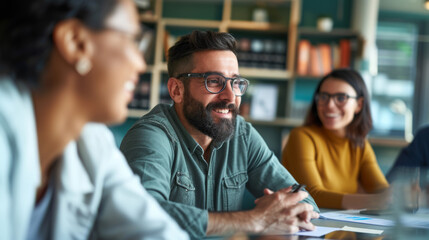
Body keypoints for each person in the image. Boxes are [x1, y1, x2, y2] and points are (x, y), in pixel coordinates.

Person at [0, 0, 188, 239]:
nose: (141, 64)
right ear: (75, 42)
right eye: (133, 39)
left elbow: (153, 231)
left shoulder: (92, 143)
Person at [120, 30, 319, 239]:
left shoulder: (242, 134)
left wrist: (289, 212)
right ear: (176, 90)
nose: (230, 95)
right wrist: (252, 220)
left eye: (236, 82)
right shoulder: (151, 136)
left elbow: (304, 203)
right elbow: (142, 214)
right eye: (214, 81)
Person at [282, 69, 390, 210]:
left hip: (341, 226)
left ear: (359, 105)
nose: (330, 105)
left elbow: (381, 191)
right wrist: (376, 201)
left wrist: (402, 195)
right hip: (306, 227)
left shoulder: (360, 144)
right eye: (324, 97)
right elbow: (311, 195)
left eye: (341, 98)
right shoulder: (302, 137)